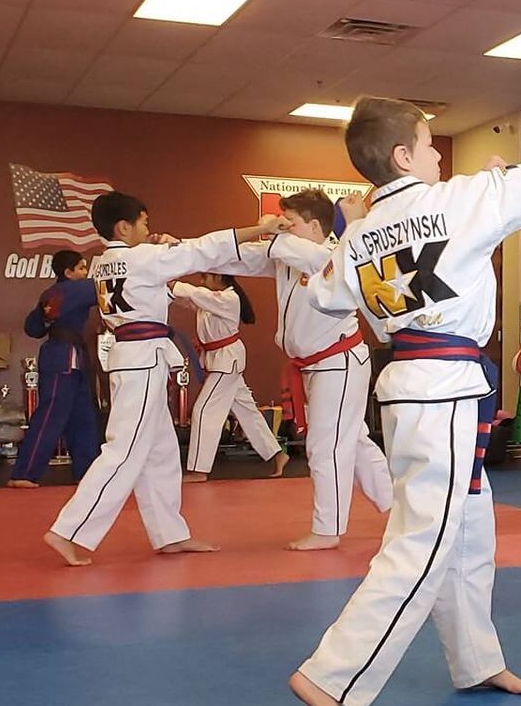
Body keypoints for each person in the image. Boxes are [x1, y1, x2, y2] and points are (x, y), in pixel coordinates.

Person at [288, 101, 521, 706]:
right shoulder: (458, 200)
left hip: (408, 385)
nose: (437, 155)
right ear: (403, 156)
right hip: (446, 388)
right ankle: (331, 674)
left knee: (470, 526)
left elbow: (322, 293)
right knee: (422, 541)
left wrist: (357, 232)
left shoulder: (364, 232)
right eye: (429, 145)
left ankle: (477, 660)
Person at [44, 193, 293, 567]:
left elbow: (164, 274)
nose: (148, 229)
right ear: (124, 227)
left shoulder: (103, 262)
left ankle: (169, 534)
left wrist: (165, 247)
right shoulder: (141, 259)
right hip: (142, 360)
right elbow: (204, 249)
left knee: (160, 451)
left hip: (136, 358)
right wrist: (259, 228)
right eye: (143, 222)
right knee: (125, 450)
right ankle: (69, 530)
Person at [230, 187, 391, 551]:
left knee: (325, 446)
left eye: (291, 222)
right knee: (354, 443)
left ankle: (328, 529)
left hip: (339, 362)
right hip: (317, 367)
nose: (283, 227)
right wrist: (183, 252)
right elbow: (240, 259)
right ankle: (398, 509)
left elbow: (290, 250)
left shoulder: (331, 255)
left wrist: (268, 230)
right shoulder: (289, 256)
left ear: (316, 226)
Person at [171, 272, 287, 482]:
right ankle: (277, 454)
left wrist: (175, 285)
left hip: (226, 361)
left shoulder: (229, 298)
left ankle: (199, 469)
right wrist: (167, 290)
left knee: (203, 410)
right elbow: (190, 300)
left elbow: (197, 295)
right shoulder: (211, 300)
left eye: (206, 277)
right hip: (220, 360)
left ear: (218, 278)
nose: (202, 281)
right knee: (247, 411)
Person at [9, 249, 101, 488]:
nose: (85, 272)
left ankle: (86, 472)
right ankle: (24, 473)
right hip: (62, 357)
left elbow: (33, 328)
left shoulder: (52, 293)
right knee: (51, 415)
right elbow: (105, 287)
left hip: (69, 357)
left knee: (83, 416)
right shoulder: (76, 289)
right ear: (68, 272)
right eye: (81, 268)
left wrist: (45, 313)